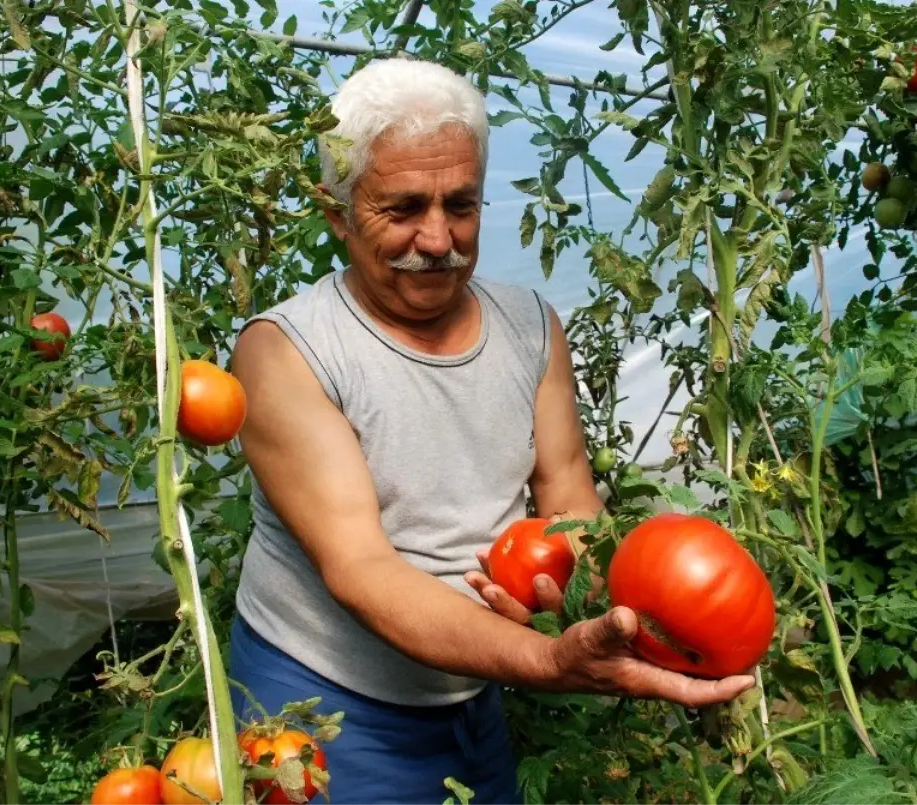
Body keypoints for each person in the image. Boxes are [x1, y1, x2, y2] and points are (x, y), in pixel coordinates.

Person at [226, 57, 755, 805]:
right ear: (336, 213)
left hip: (474, 689)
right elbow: (362, 569)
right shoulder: (284, 351)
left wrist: (640, 622)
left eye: (461, 204)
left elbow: (569, 501)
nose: (439, 239)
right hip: (321, 706)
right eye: (403, 208)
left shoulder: (529, 327)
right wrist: (549, 660)